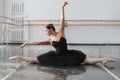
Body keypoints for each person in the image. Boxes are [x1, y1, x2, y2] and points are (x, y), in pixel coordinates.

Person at [9, 1, 114, 66]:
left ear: (51, 29)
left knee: (86, 61)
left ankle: (103, 59)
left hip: (68, 54)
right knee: (36, 60)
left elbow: (62, 19)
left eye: (46, 30)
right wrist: (27, 43)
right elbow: (37, 42)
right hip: (56, 56)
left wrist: (62, 8)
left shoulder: (61, 32)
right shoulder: (50, 40)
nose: (45, 32)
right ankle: (20, 57)